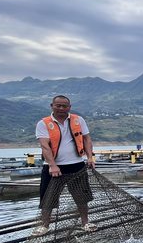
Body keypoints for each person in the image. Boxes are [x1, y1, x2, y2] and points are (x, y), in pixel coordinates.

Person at [33, 95, 97, 235]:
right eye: (58, 105)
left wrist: (90, 158)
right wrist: (52, 165)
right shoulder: (43, 123)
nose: (61, 108)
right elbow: (45, 146)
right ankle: (44, 225)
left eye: (64, 106)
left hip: (76, 165)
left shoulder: (78, 120)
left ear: (69, 107)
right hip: (53, 167)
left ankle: (85, 222)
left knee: (82, 196)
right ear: (52, 106)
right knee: (47, 197)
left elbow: (87, 139)